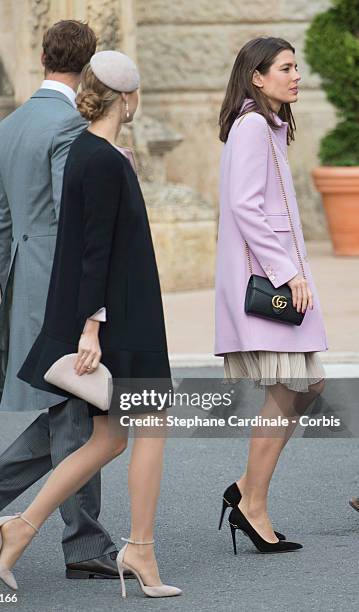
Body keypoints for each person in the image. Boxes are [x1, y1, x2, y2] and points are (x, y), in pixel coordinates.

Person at [0, 50, 181, 600]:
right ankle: (141, 549)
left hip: (116, 312)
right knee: (152, 428)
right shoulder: (103, 159)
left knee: (109, 439)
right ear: (128, 98)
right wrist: (91, 328)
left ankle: (18, 529)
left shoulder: (94, 152)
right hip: (124, 316)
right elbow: (93, 249)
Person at [0, 20, 124, 579]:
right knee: (82, 406)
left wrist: (13, 287)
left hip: (28, 280)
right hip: (65, 286)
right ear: (90, 64)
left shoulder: (9, 125)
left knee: (74, 409)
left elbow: (2, 221)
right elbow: (74, 216)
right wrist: (88, 307)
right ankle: (76, 541)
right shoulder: (72, 126)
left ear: (44, 58)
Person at [214, 37, 327, 553]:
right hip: (273, 283)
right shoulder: (253, 125)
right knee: (289, 388)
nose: (296, 75)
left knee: (305, 387)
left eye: (296, 67)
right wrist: (286, 273)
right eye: (286, 67)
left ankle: (245, 490)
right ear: (257, 77)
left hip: (282, 277)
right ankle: (253, 505)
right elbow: (244, 207)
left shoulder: (269, 126)